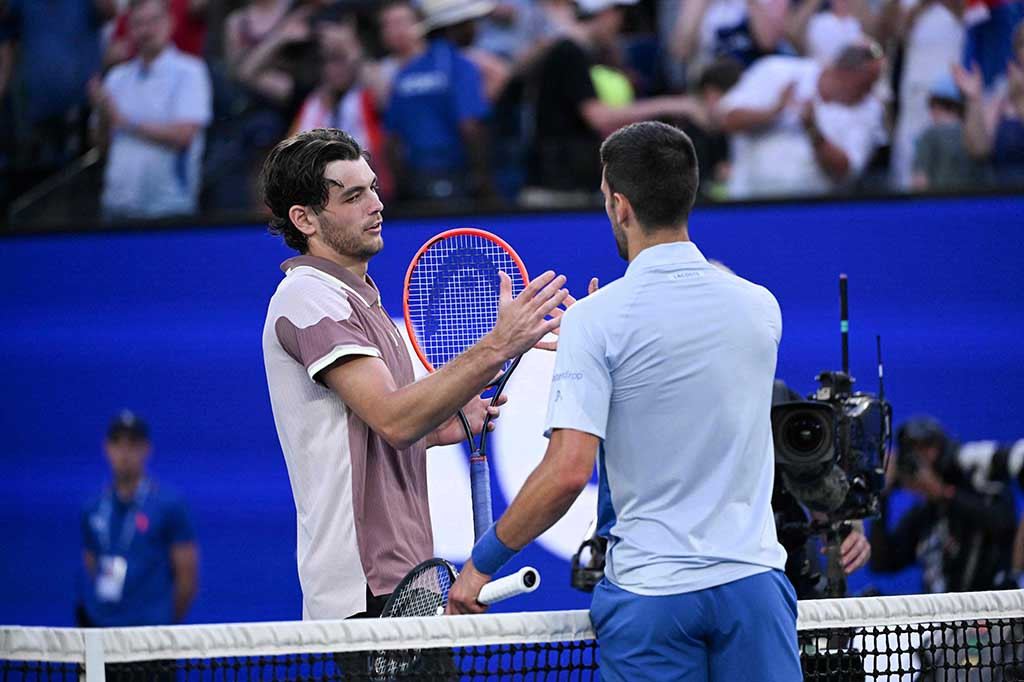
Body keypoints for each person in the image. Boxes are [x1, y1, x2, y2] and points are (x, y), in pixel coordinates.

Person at [447, 121, 801, 682]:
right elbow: (683, 386)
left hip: (651, 599)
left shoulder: (598, 321)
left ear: (619, 205)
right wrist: (601, 343)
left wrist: (480, 566)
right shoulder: (761, 308)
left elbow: (568, 474)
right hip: (753, 593)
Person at [259, 127, 568, 620]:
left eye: (374, 188)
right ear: (305, 219)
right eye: (354, 195)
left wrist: (438, 426)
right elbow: (395, 418)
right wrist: (497, 345)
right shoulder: (308, 297)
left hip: (407, 579)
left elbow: (386, 434)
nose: (376, 204)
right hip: (362, 591)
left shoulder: (366, 304)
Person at [522, 0, 707, 203]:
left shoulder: (583, 53)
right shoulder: (568, 52)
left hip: (572, 185)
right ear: (606, 13)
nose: (622, 24)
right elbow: (598, 116)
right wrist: (674, 104)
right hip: (556, 192)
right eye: (620, 14)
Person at [90, 0, 212, 221]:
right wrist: (103, 114)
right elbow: (102, 145)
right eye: (138, 23)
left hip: (170, 207)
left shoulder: (190, 71)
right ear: (129, 30)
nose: (146, 30)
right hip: (117, 206)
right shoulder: (117, 77)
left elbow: (184, 135)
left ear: (170, 23)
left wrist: (124, 121)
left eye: (154, 21)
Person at [718, 41, 886, 198]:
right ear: (843, 72)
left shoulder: (870, 110)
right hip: (749, 202)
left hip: (810, 212)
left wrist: (812, 128)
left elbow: (845, 170)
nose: (869, 92)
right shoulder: (777, 70)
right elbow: (727, 120)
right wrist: (773, 112)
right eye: (866, 84)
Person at [870, 416, 1017, 593]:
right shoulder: (923, 515)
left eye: (927, 447)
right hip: (941, 615)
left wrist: (942, 492)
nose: (921, 458)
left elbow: (1004, 523)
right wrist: (882, 495)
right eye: (913, 451)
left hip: (985, 610)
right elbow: (881, 562)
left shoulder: (980, 489)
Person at [78, 412, 198, 627]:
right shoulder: (93, 509)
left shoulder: (169, 506)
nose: (124, 451)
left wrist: (161, 622)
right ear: (107, 448)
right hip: (101, 632)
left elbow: (187, 579)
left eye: (132, 443)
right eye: (117, 442)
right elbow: (91, 563)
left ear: (146, 449)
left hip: (150, 638)